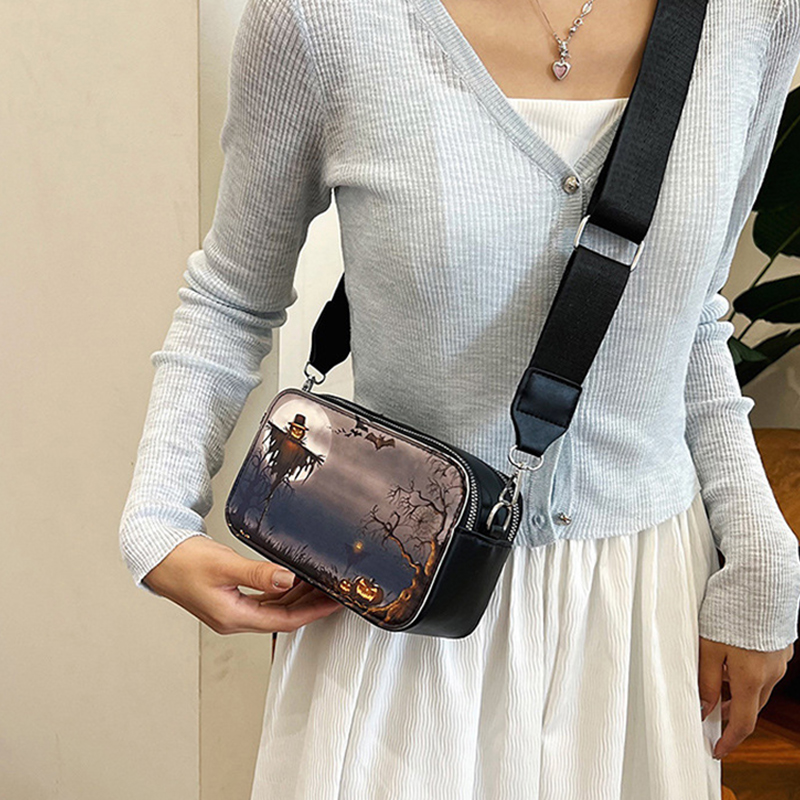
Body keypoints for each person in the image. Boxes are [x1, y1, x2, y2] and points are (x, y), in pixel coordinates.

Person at [120, 0, 800, 797]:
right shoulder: (324, 19)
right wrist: (155, 521)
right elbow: (232, 298)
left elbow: (691, 322)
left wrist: (762, 555)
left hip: (638, 611)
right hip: (400, 596)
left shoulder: (753, 16)